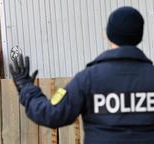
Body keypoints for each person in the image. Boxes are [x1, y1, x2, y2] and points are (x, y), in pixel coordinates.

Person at [9, 6, 154, 144]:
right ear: (139, 35)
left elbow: (52, 113)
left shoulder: (87, 79)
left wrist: (26, 88)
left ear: (108, 35)